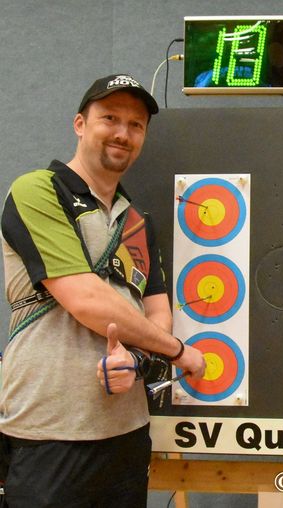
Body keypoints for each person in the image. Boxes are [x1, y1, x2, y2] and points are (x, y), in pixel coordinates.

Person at [0, 74, 206, 507]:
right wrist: (176, 351)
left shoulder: (138, 222)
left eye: (136, 125)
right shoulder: (37, 191)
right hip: (47, 432)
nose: (122, 133)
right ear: (80, 123)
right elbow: (87, 299)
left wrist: (136, 358)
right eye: (109, 118)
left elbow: (156, 309)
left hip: (126, 434)